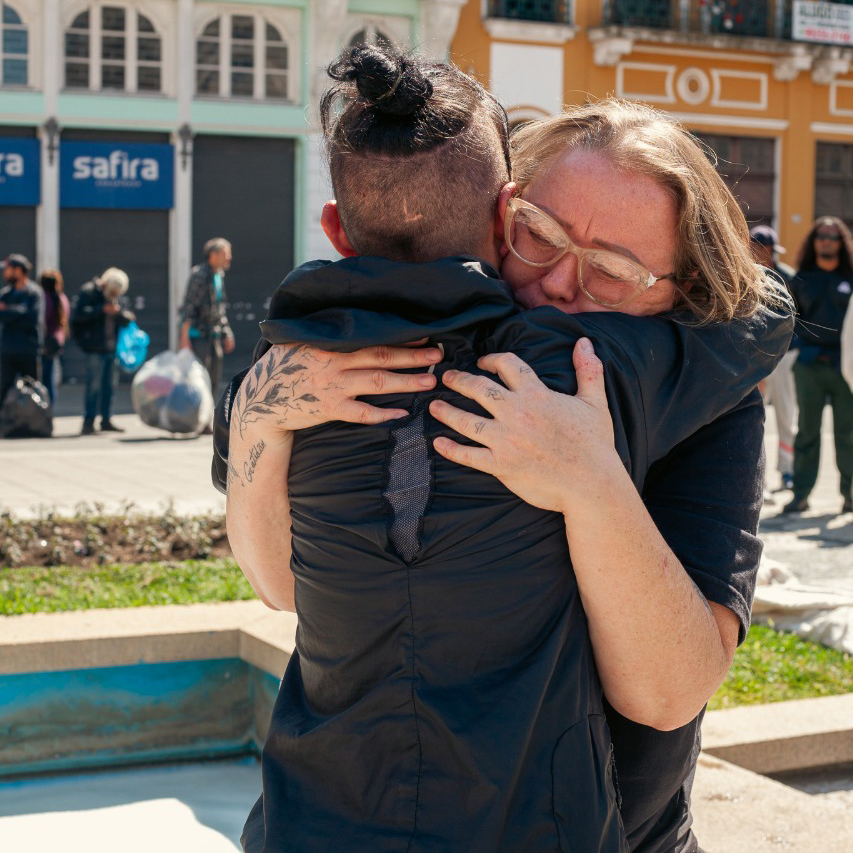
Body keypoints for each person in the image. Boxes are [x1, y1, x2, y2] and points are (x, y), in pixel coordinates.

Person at [216, 48, 790, 853]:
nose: (558, 284)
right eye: (538, 235)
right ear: (498, 211)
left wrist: (591, 482)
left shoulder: (701, 401)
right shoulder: (341, 355)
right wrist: (255, 424)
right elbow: (282, 584)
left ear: (682, 293)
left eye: (614, 272)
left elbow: (667, 692)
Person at [784, 216, 853, 514]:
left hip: (845, 367)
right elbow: (789, 319)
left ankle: (850, 496)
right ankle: (800, 494)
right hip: (809, 365)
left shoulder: (850, 279)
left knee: (848, 433)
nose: (827, 240)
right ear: (814, 241)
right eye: (822, 236)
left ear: (841, 243)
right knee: (807, 432)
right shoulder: (800, 279)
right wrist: (798, 350)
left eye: (833, 236)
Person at [750, 225, 797, 493]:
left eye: (766, 248)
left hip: (786, 356)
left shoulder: (789, 276)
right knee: (754, 416)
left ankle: (787, 471)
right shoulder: (742, 275)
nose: (762, 252)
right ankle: (759, 477)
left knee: (786, 415)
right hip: (753, 357)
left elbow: (801, 318)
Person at [71, 267, 134, 435]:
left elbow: (128, 319)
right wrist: (101, 310)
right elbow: (78, 316)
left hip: (112, 348)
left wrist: (119, 313)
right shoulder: (89, 292)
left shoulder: (117, 298)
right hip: (94, 348)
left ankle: (106, 419)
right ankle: (88, 421)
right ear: (105, 284)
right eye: (112, 292)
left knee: (110, 386)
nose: (114, 295)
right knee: (94, 386)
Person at [179, 237, 235, 396]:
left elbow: (219, 308)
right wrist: (184, 337)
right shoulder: (200, 275)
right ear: (213, 255)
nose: (229, 258)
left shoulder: (219, 275)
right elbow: (189, 305)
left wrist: (227, 332)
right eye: (226, 253)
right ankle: (194, 416)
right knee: (198, 379)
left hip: (214, 335)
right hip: (199, 336)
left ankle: (206, 416)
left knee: (213, 379)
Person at [0, 253, 43, 405]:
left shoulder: (33, 293)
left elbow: (32, 318)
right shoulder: (5, 294)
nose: (4, 273)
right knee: (3, 389)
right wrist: (18, 312)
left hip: (28, 350)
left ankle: (33, 423)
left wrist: (9, 311)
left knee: (32, 389)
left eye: (7, 269)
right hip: (8, 350)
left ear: (18, 270)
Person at [39, 269, 71, 406]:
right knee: (50, 379)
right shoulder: (62, 298)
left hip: (44, 343)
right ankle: (49, 409)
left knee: (42, 379)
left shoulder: (44, 299)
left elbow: (41, 321)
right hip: (56, 343)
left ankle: (43, 408)